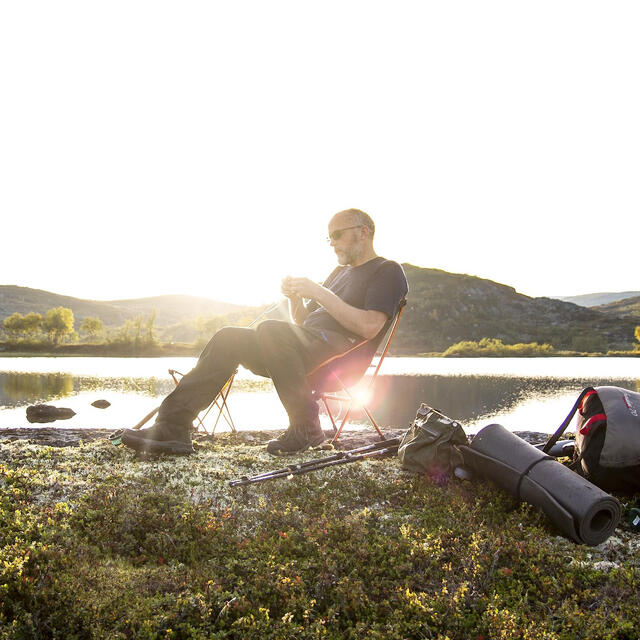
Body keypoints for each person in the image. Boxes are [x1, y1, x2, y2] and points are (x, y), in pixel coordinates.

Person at [121, 208, 408, 456]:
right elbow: (305, 324)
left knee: (271, 330)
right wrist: (296, 298)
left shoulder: (387, 270)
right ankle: (172, 428)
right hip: (303, 350)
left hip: (341, 360)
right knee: (228, 336)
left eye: (337, 235)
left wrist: (318, 292)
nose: (332, 244)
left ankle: (306, 427)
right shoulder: (338, 274)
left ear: (363, 232)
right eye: (328, 237)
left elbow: (370, 327)